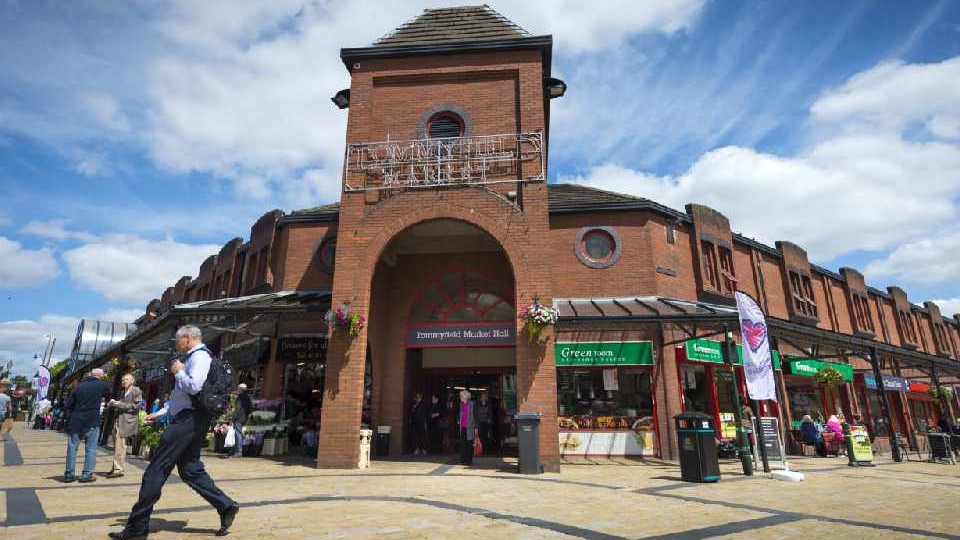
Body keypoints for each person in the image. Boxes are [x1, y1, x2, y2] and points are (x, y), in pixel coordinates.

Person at [109, 325, 238, 540]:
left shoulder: (199, 357)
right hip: (191, 418)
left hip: (188, 420)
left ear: (188, 338)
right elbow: (184, 396)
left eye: (178, 340)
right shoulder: (194, 357)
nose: (176, 345)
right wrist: (160, 413)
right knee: (190, 469)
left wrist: (178, 372)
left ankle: (137, 528)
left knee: (156, 468)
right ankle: (225, 506)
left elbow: (194, 386)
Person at [63, 369, 111, 483]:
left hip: (76, 420)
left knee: (72, 447)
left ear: (90, 375)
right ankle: (86, 474)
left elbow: (68, 405)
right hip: (92, 420)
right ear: (101, 376)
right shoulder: (103, 385)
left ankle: (69, 474)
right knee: (91, 448)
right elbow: (110, 397)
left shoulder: (78, 387)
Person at [106, 373, 143, 479]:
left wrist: (118, 404)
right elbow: (123, 403)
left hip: (127, 422)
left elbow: (137, 406)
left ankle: (118, 470)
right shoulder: (123, 392)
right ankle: (116, 467)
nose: (123, 381)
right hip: (118, 421)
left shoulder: (136, 390)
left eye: (126, 379)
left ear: (132, 381)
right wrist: (115, 402)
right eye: (122, 380)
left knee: (120, 446)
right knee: (117, 446)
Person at [227, 383, 253, 459]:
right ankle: (236, 451)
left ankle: (238, 452)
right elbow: (250, 408)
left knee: (238, 435)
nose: (238, 390)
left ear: (241, 389)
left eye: (238, 389)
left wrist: (233, 418)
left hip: (238, 418)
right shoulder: (248, 397)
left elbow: (237, 409)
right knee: (239, 434)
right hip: (244, 418)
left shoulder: (240, 397)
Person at [456, 390, 478, 465]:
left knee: (469, 444)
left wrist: (476, 428)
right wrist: (458, 419)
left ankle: (468, 461)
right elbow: (459, 414)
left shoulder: (473, 404)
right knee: (463, 444)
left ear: (465, 397)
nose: (460, 397)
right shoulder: (461, 404)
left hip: (470, 427)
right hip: (462, 427)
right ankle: (463, 460)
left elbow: (476, 416)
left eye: (461, 396)